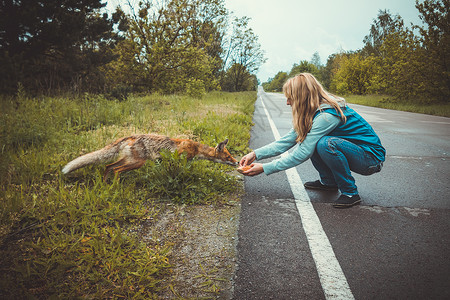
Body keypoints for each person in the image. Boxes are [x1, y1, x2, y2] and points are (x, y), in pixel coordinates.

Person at [239, 73, 385, 208]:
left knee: (325, 144)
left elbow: (302, 152)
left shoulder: (326, 116)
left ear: (303, 97)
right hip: (356, 152)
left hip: (370, 159)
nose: (288, 103)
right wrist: (255, 154)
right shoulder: (312, 112)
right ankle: (329, 183)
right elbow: (286, 141)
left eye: (291, 98)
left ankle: (350, 192)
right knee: (317, 141)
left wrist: (265, 168)